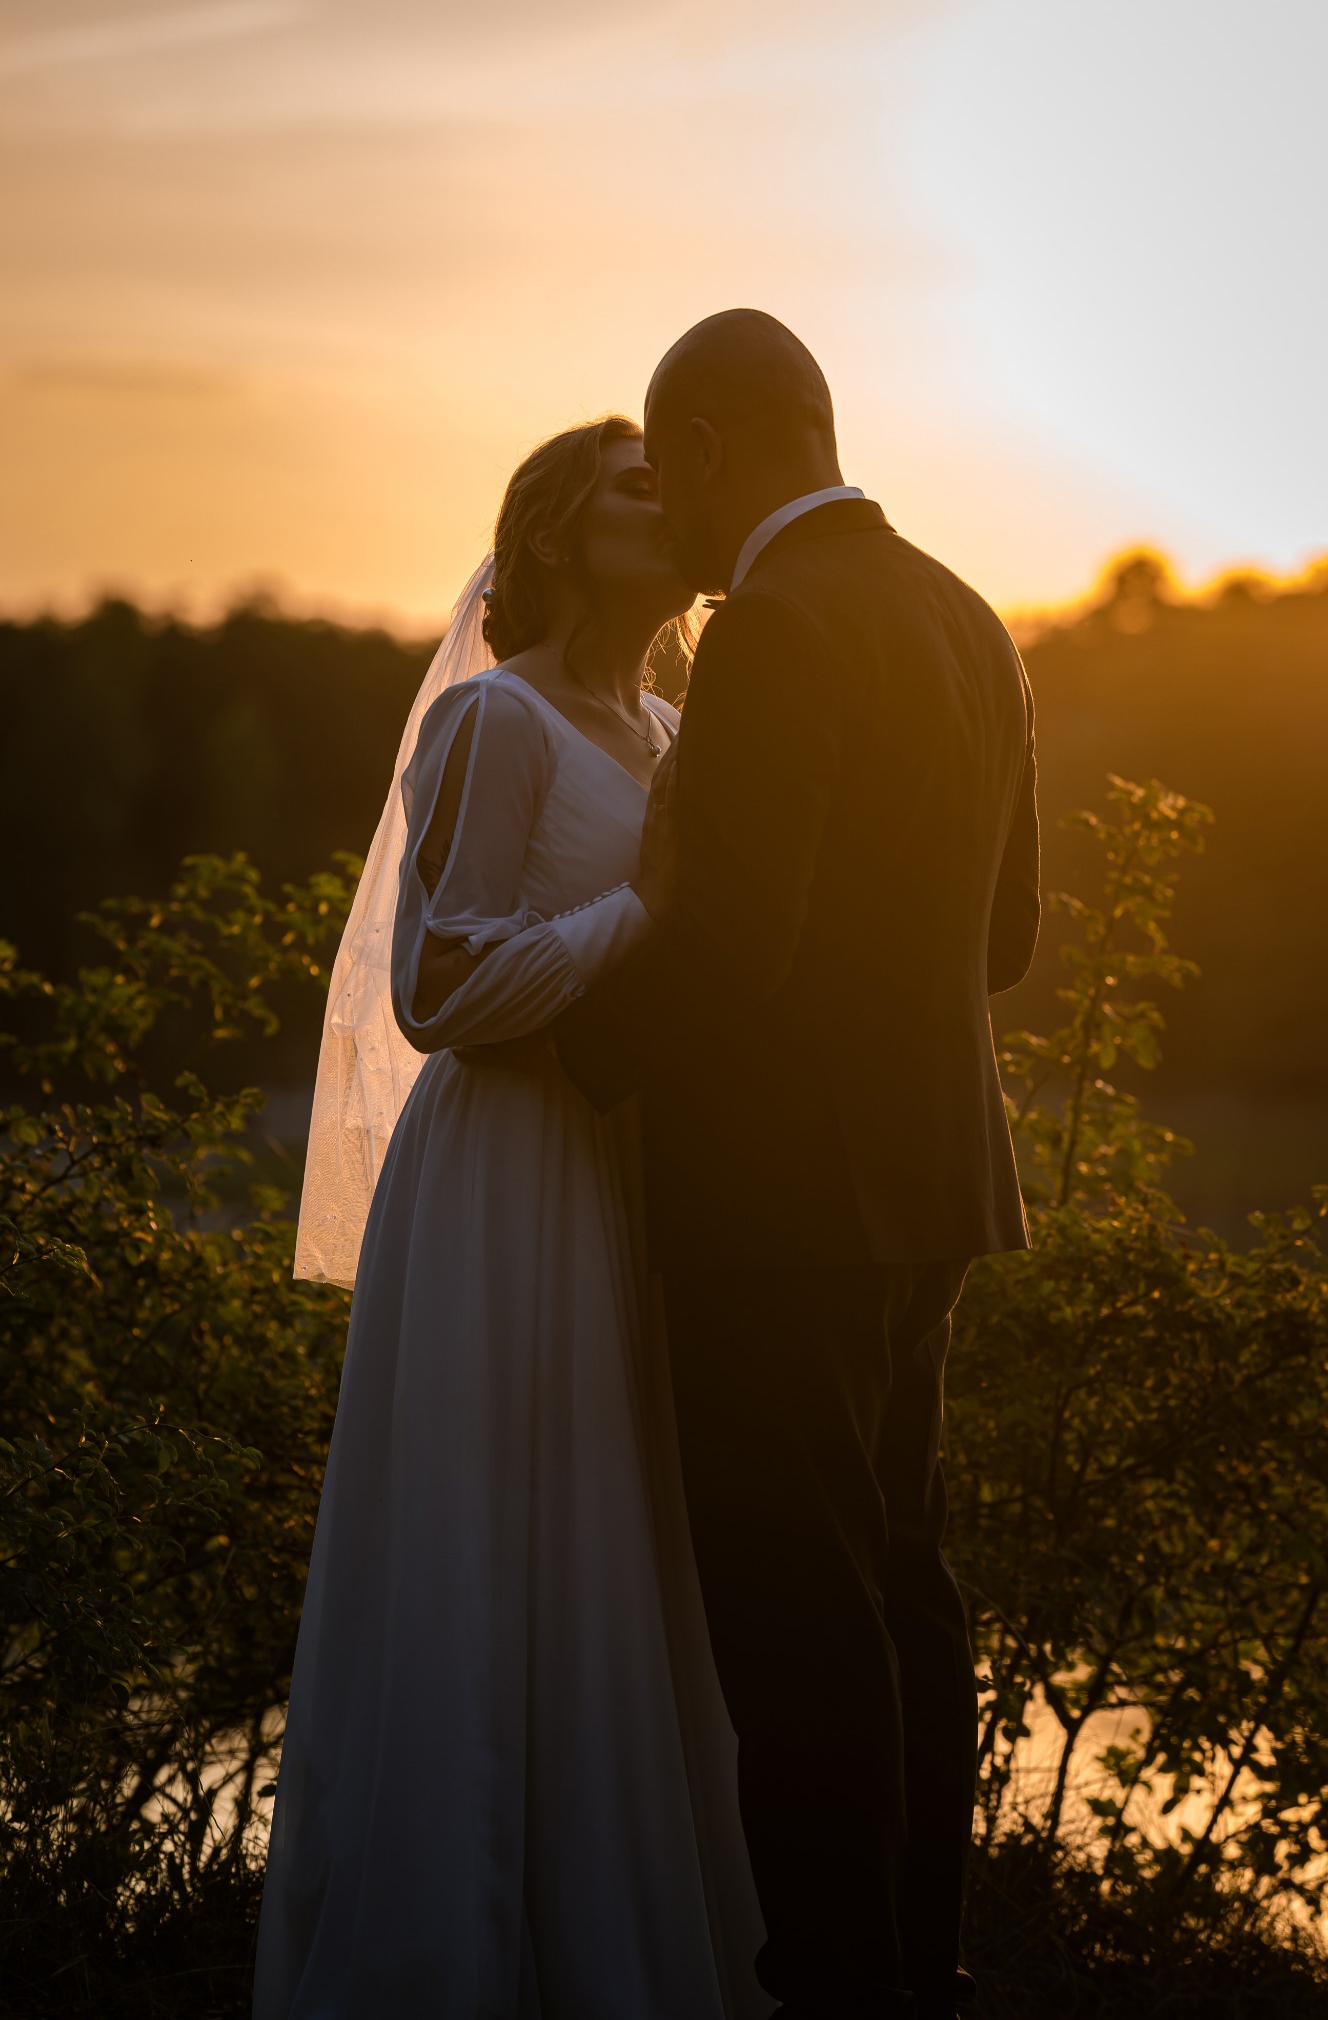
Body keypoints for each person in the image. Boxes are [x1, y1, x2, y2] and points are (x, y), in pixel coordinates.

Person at [554, 311, 1041, 2020]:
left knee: (797, 1629)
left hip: (777, 1211)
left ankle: (834, 1990)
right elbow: (1005, 942)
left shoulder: (773, 626)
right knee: (901, 1591)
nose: (672, 521)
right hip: (933, 1187)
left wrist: (555, 1060)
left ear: (704, 449)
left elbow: (730, 951)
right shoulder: (969, 615)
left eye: (667, 471)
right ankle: (914, 1970)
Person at [254, 416, 769, 2020]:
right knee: (496, 1549)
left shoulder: (675, 731)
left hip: (633, 1177)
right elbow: (441, 989)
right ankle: (454, 1957)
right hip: (509, 1179)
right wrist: (641, 908)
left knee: (625, 1549)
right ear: (552, 534)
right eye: (637, 486)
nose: (671, 505)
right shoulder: (495, 719)